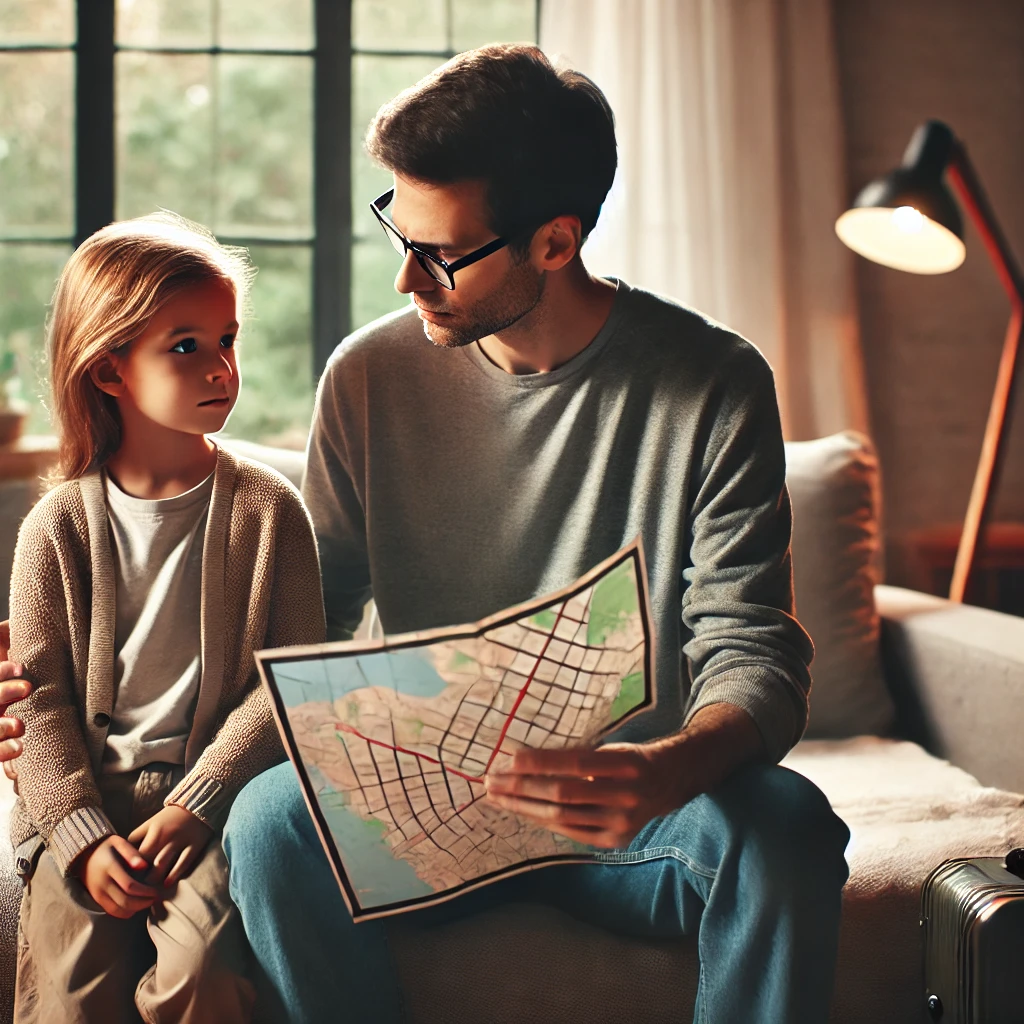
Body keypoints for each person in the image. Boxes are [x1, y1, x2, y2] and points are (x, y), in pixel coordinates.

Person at [215, 43, 851, 1024]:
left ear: (554, 242)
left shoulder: (714, 382)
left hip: (629, 815)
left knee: (788, 825)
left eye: (441, 253)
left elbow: (752, 643)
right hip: (420, 803)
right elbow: (310, 620)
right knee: (268, 822)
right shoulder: (365, 378)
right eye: (397, 228)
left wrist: (667, 767)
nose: (405, 279)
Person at [3, 214, 325, 1023]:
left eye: (228, 339)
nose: (222, 367)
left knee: (204, 982)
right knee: (70, 997)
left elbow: (290, 682)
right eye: (186, 346)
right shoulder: (56, 529)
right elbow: (38, 704)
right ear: (109, 371)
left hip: (210, 803)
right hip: (87, 805)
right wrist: (78, 832)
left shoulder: (270, 512)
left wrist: (203, 799)